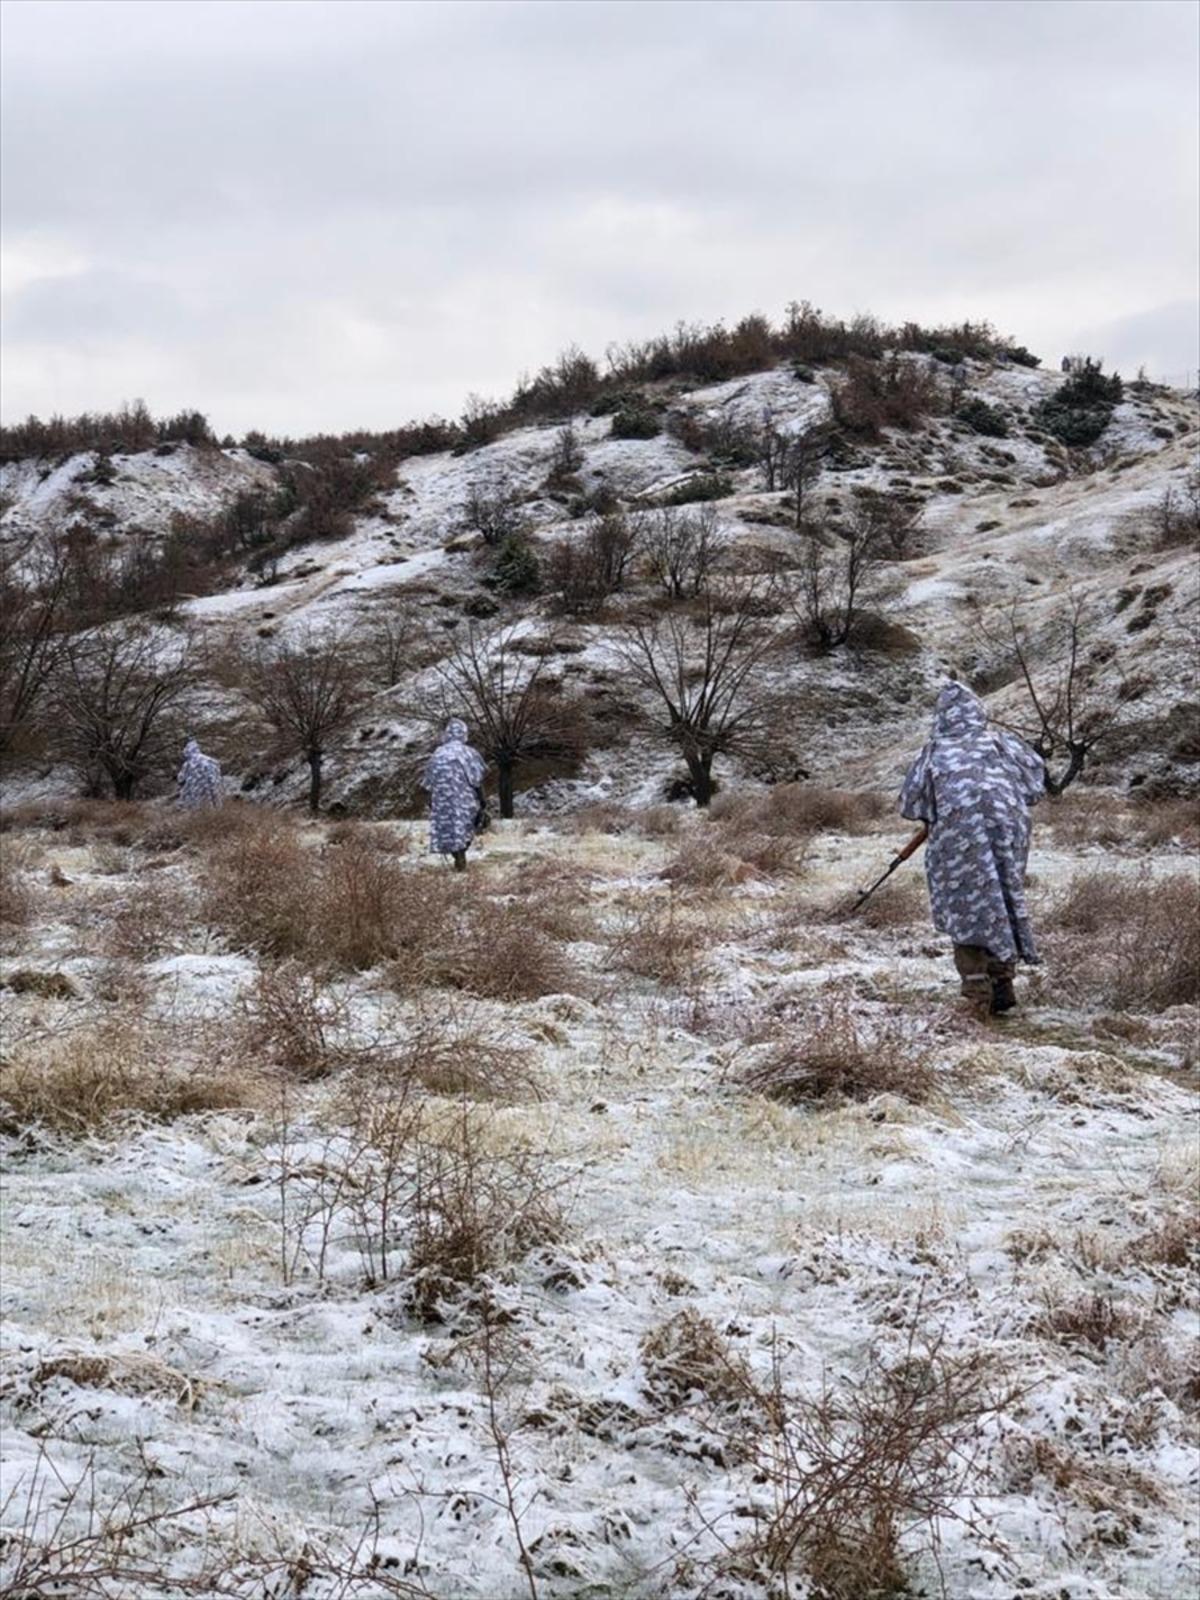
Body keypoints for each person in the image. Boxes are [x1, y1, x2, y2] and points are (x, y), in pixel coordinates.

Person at [900, 682, 1045, 1018]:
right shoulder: (1004, 744)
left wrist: (945, 810)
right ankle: (1003, 982)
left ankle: (977, 992)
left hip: (957, 839)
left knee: (966, 906)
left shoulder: (934, 752)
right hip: (1008, 832)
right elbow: (1034, 786)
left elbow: (911, 804)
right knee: (1001, 897)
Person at [422, 719, 487, 871]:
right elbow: (477, 780)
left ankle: (457, 855)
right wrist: (483, 800)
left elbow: (429, 782)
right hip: (464, 799)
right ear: (464, 734)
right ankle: (461, 855)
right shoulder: (469, 753)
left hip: (441, 800)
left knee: (448, 830)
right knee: (466, 827)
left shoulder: (437, 754)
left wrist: (431, 801)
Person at [176, 737, 223, 809]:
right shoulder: (209, 759)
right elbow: (217, 768)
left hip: (197, 788)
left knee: (198, 803)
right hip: (213, 784)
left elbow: (181, 778)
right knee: (213, 802)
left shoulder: (189, 763)